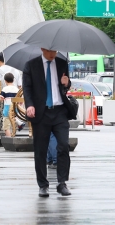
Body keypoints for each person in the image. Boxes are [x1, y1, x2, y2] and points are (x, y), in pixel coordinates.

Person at [23, 47, 73, 197]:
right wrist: (29, 105)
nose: (53, 54)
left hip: (59, 111)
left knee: (64, 145)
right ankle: (43, 185)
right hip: (41, 112)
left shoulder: (62, 63)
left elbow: (66, 86)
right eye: (50, 51)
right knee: (40, 150)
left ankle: (62, 182)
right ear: (42, 48)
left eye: (55, 51)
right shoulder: (31, 65)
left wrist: (67, 83)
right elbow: (27, 88)